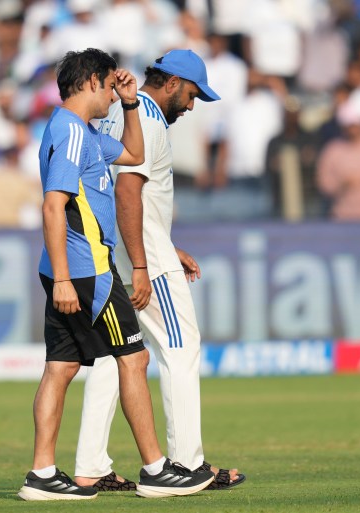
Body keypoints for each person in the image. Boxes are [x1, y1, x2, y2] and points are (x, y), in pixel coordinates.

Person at [18, 48, 213, 502]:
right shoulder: (70, 130)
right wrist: (66, 278)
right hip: (89, 270)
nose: (112, 93)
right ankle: (156, 469)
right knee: (134, 358)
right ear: (89, 82)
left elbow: (131, 153)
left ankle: (42, 474)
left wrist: (128, 103)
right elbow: (53, 205)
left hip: (75, 270)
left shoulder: (82, 130)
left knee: (62, 367)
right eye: (109, 85)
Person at [74, 49, 246, 492]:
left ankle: (90, 464)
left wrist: (167, 245)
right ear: (171, 82)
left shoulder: (117, 115)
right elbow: (128, 191)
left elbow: (124, 197)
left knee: (118, 356)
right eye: (190, 96)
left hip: (117, 250)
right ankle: (187, 463)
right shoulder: (146, 117)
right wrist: (144, 264)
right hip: (142, 259)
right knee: (181, 347)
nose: (191, 107)